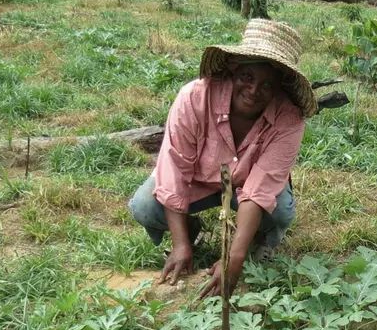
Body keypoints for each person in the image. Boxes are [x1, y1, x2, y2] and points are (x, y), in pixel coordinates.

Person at [128, 19, 318, 301]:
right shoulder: (194, 97)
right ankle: (189, 231)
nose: (254, 91)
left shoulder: (288, 118)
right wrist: (180, 245)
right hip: (197, 180)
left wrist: (234, 255)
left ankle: (258, 241)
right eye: (247, 77)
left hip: (247, 190)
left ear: (280, 87)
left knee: (279, 211)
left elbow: (260, 189)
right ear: (232, 69)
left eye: (267, 85)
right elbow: (175, 171)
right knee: (145, 206)